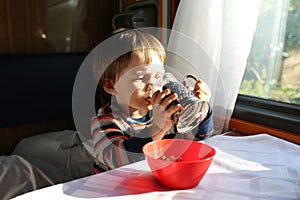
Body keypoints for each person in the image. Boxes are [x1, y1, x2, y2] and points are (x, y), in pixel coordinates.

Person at [91, 28, 213, 172]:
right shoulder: (104, 122)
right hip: (114, 188)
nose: (153, 85)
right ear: (111, 86)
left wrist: (200, 111)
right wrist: (156, 128)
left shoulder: (164, 110)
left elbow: (195, 140)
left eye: (158, 76)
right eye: (142, 78)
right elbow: (119, 161)